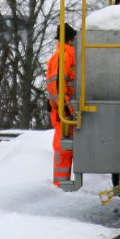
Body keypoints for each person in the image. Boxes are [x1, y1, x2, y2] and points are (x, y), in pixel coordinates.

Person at [46, 23, 77, 187]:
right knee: (63, 148)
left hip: (64, 109)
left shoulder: (63, 54)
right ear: (70, 39)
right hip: (64, 110)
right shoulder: (64, 56)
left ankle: (61, 182)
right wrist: (65, 107)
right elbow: (59, 84)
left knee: (64, 147)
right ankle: (60, 184)